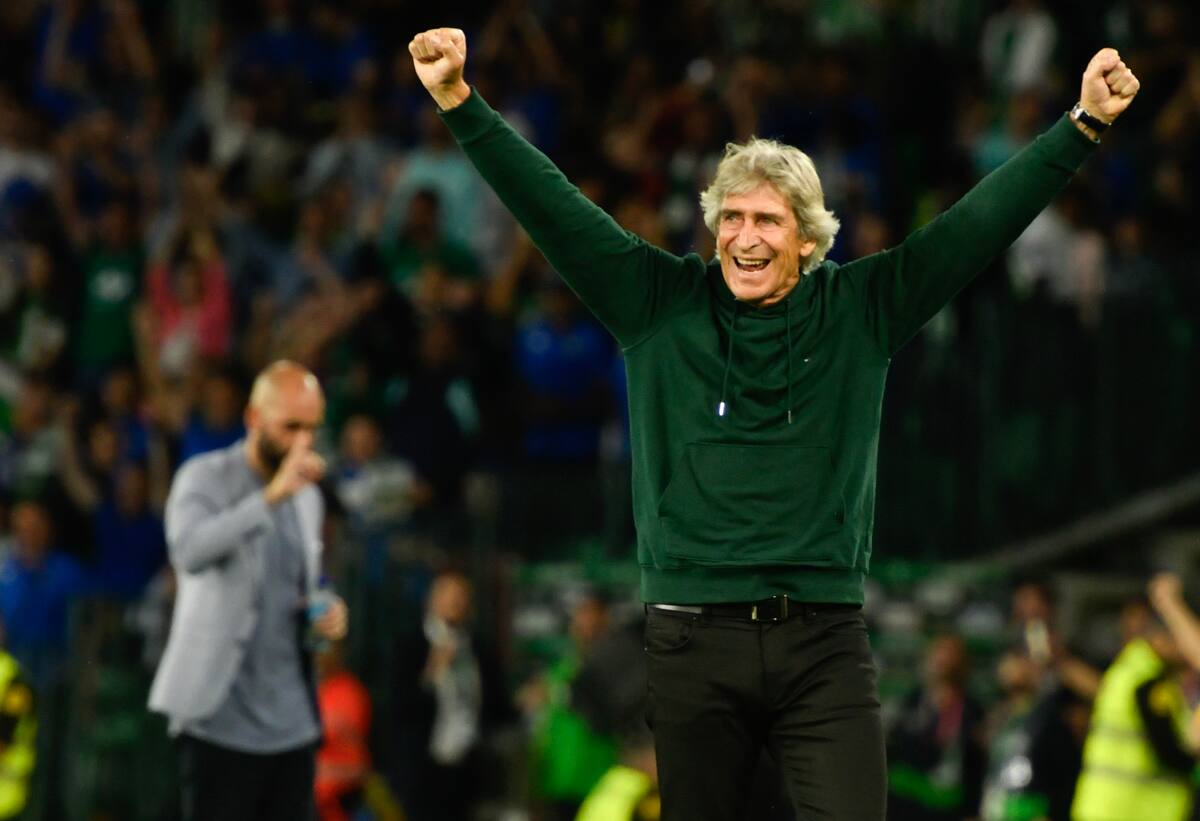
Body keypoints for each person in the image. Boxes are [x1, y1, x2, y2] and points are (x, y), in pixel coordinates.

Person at [408, 27, 1140, 820]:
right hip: (690, 644)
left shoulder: (862, 310)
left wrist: (1082, 125)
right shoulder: (658, 303)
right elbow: (553, 208)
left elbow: (975, 227)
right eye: (731, 218)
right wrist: (460, 102)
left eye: (766, 220)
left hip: (821, 643)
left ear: (807, 237)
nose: (744, 237)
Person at [147, 360, 349, 821]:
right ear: (254, 418)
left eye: (312, 429)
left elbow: (309, 578)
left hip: (293, 723)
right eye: (290, 427)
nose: (303, 442)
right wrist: (269, 498)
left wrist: (329, 609)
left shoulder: (310, 497)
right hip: (219, 720)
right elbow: (189, 552)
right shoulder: (204, 478)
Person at [1071, 575, 1196, 821]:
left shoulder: (1127, 668)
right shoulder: (1150, 681)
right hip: (1134, 809)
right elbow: (1171, 752)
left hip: (1101, 807)